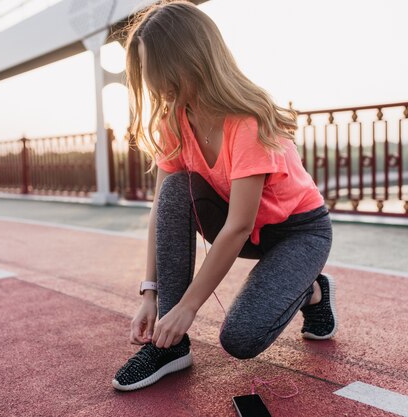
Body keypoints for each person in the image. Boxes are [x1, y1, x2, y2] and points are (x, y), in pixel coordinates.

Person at [112, 0, 336, 392]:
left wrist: (188, 308)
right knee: (176, 189)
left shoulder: (246, 120)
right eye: (146, 70)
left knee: (240, 339)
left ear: (190, 58)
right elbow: (162, 208)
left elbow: (238, 226)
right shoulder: (174, 120)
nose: (151, 80)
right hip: (243, 230)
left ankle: (313, 289)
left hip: (297, 232)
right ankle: (171, 348)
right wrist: (152, 294)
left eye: (156, 68)